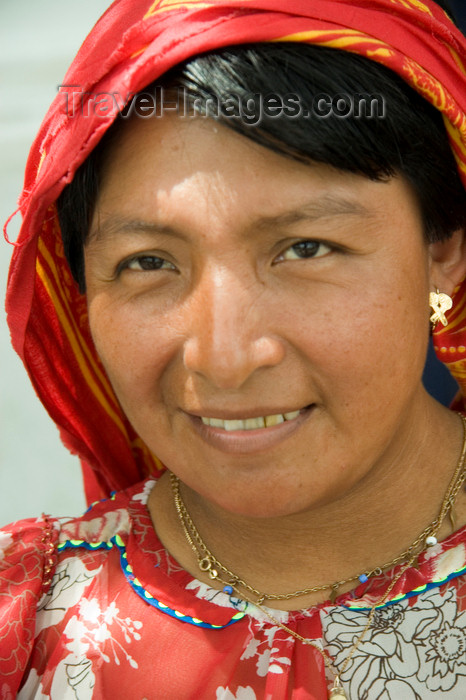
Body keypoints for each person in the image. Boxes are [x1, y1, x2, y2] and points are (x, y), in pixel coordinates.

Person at [2, 0, 466, 697]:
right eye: (148, 263)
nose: (224, 356)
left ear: (444, 252)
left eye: (306, 248)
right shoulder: (29, 624)